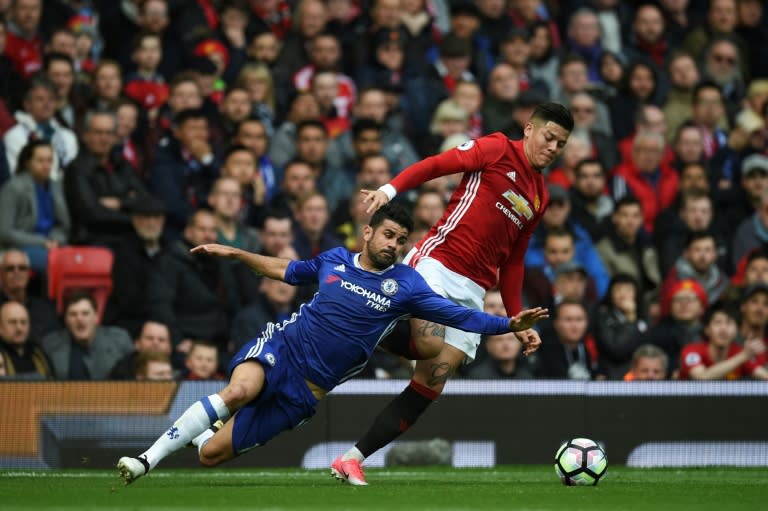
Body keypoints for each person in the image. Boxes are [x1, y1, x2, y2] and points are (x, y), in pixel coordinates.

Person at [116, 203, 549, 484]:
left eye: (401, 240)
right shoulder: (334, 260)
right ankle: (145, 460)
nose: (394, 245)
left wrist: (507, 323)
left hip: (306, 391)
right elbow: (287, 270)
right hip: (282, 348)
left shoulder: (409, 286)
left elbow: (461, 317)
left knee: (210, 455)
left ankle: (204, 432)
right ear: (368, 232)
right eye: (388, 236)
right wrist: (237, 254)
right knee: (238, 390)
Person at [332, 102, 573, 485]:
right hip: (438, 264)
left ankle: (352, 458)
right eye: (549, 137)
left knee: (434, 378)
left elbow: (512, 263)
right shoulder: (496, 149)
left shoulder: (539, 196)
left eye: (560, 144)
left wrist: (515, 320)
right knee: (429, 342)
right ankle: (353, 308)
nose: (553, 148)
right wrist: (390, 188)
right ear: (529, 129)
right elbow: (435, 165)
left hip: (474, 290)